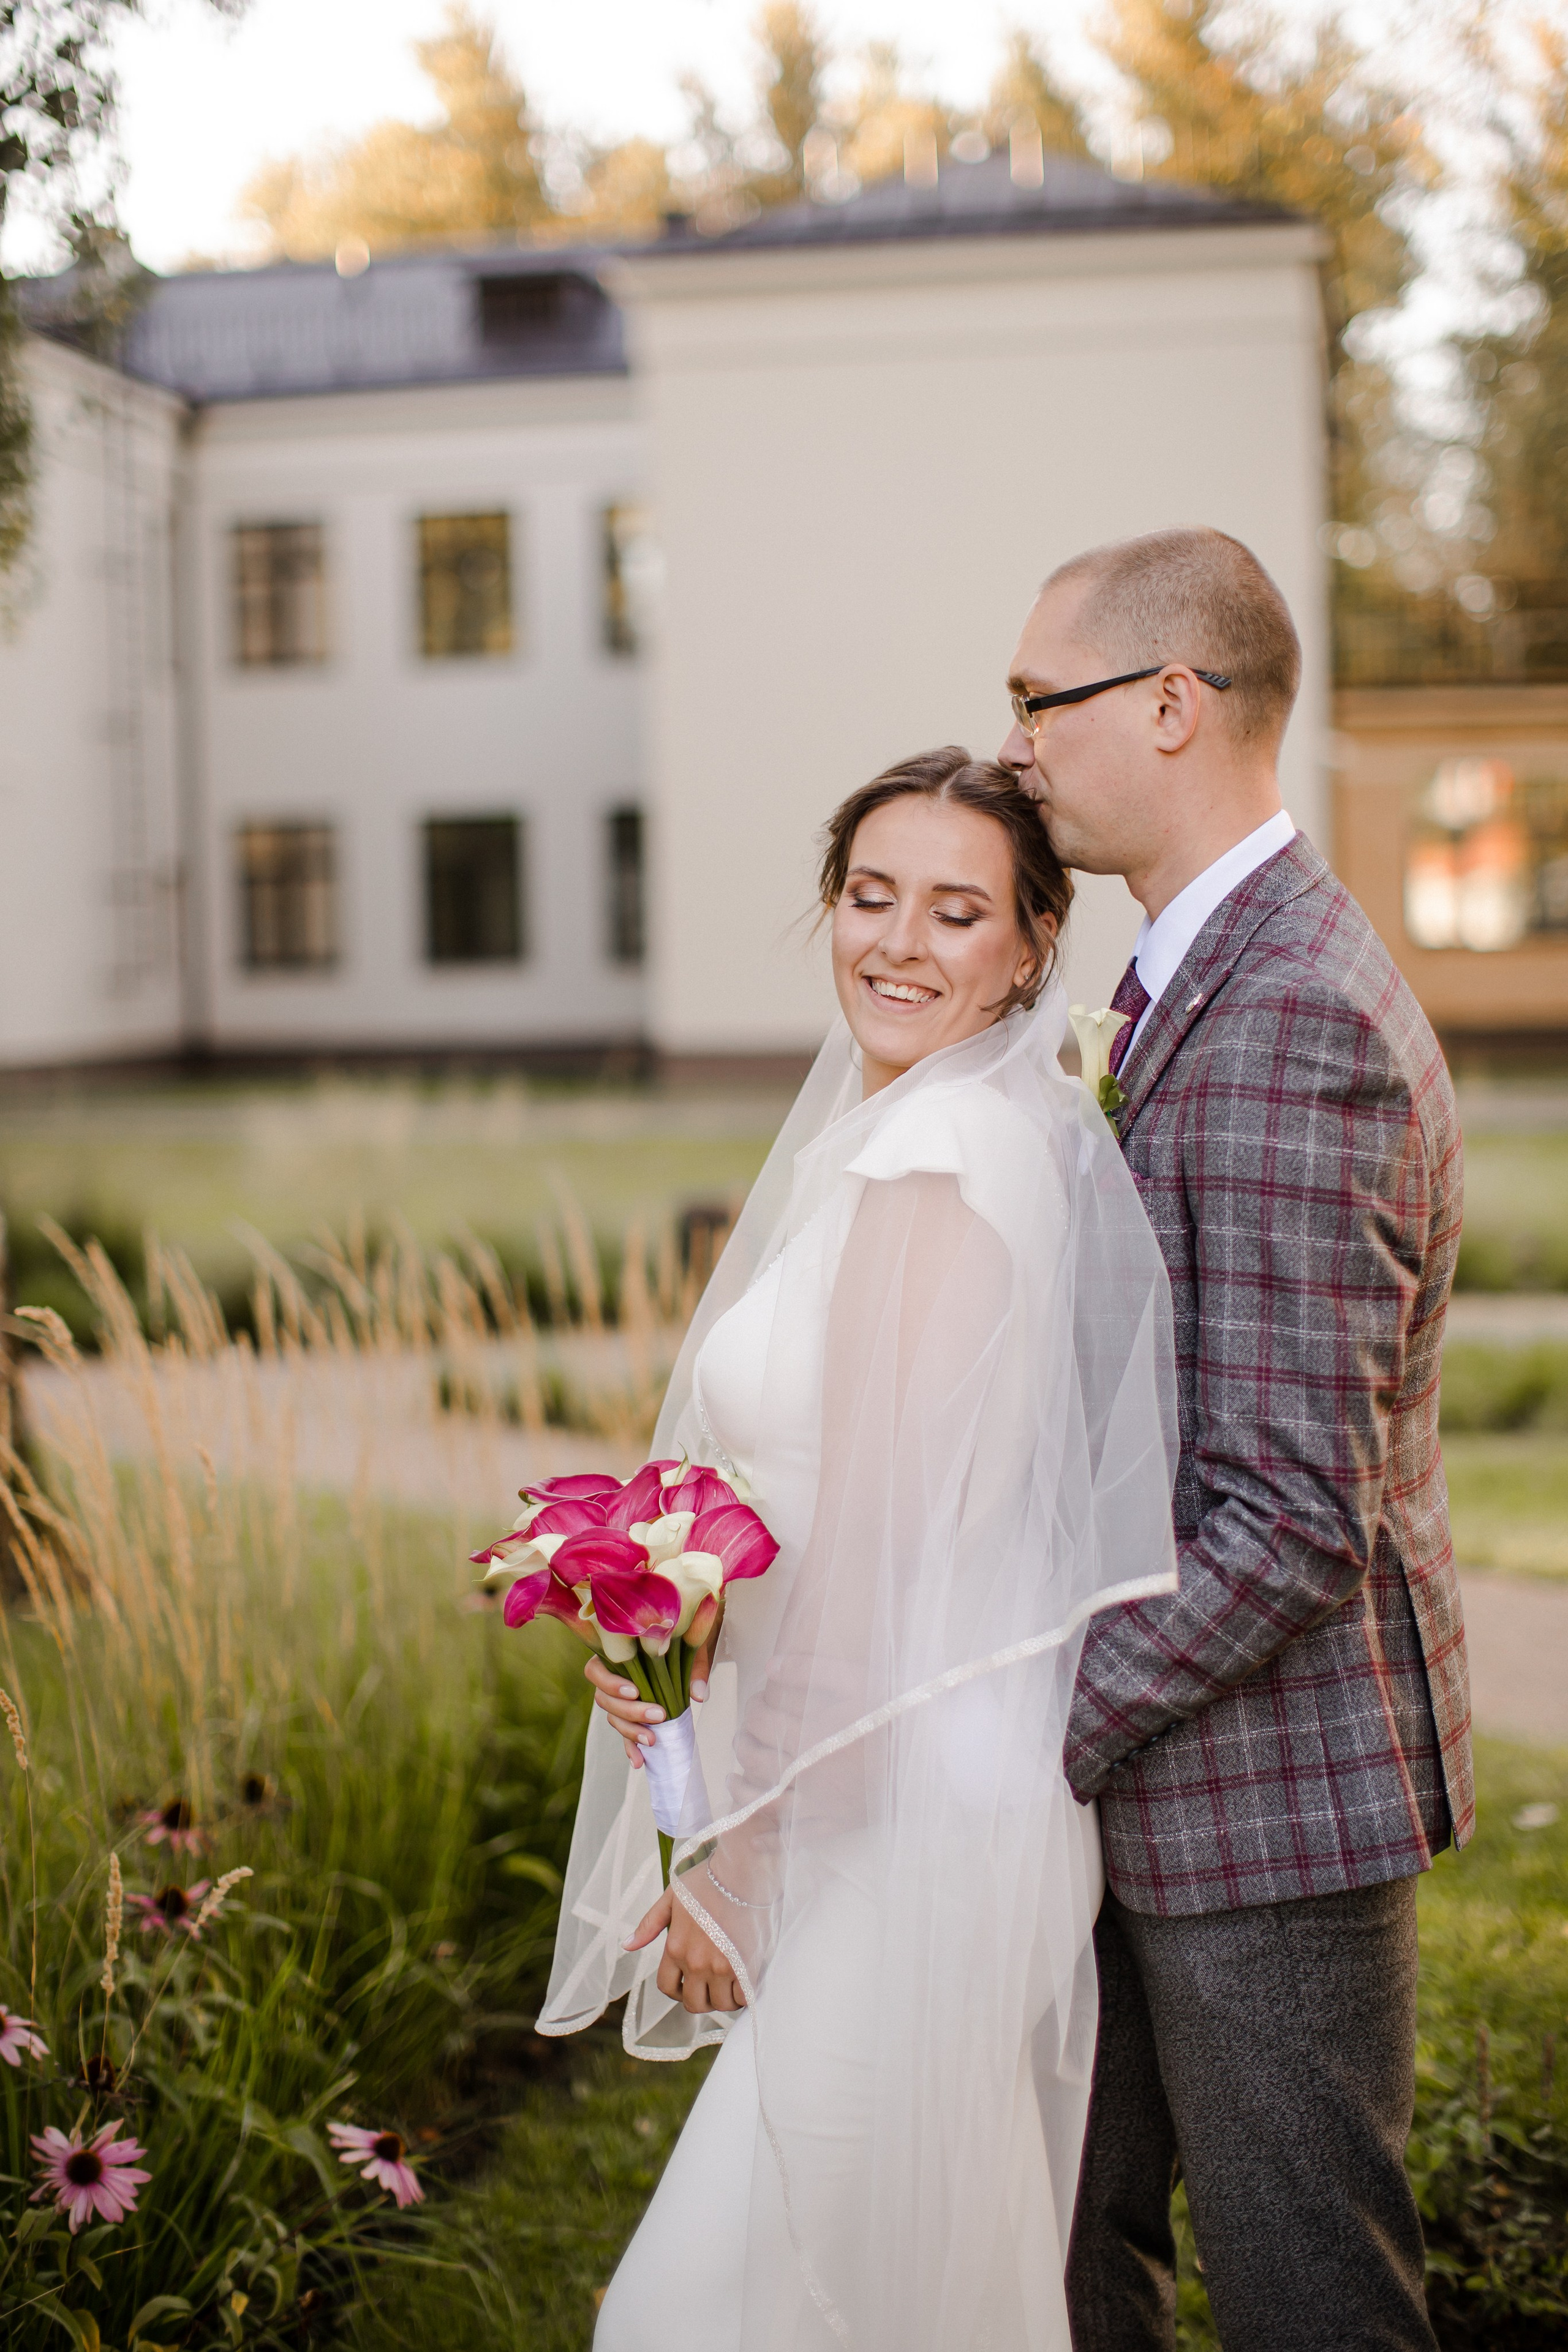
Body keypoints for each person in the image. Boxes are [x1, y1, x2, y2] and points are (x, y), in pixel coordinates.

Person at [548, 750, 1183, 2350]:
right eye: (869, 895)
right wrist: (675, 1631)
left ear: (1034, 947)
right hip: (894, 1769)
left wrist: (741, 1859)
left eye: (957, 911)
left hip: (890, 1805)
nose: (896, 942)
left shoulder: (934, 1163)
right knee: (862, 2283)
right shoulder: (963, 1131)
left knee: (755, 2297)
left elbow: (885, 1538)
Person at [997, 526, 1471, 2352]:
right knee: (1056, 2241)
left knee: (1311, 2295)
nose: (1022, 744)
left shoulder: (1286, 1016)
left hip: (1265, 1797)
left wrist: (1037, 1724)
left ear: (1173, 705)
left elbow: (1288, 1518)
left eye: (1044, 699)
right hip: (1155, 1768)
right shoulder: (1185, 974)